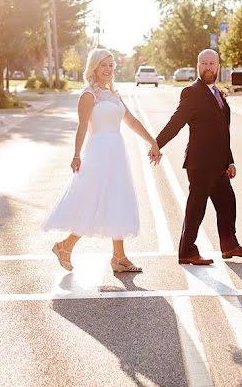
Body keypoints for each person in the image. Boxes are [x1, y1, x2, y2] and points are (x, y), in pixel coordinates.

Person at [43, 48, 161, 273]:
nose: (108, 69)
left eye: (110, 65)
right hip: (98, 153)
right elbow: (81, 126)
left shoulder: (114, 94)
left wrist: (152, 142)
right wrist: (76, 154)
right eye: (103, 65)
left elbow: (132, 121)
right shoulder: (89, 95)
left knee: (116, 200)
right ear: (94, 68)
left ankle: (119, 257)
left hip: (117, 153)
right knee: (93, 202)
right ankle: (65, 246)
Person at [155, 49, 242, 265]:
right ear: (197, 66)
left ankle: (229, 245)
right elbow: (177, 122)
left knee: (227, 202)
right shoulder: (192, 92)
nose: (208, 67)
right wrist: (157, 144)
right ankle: (186, 251)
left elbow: (223, 131)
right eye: (204, 63)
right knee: (196, 207)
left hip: (219, 163)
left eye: (212, 63)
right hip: (200, 163)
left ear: (218, 66)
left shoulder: (217, 93)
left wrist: (229, 160)